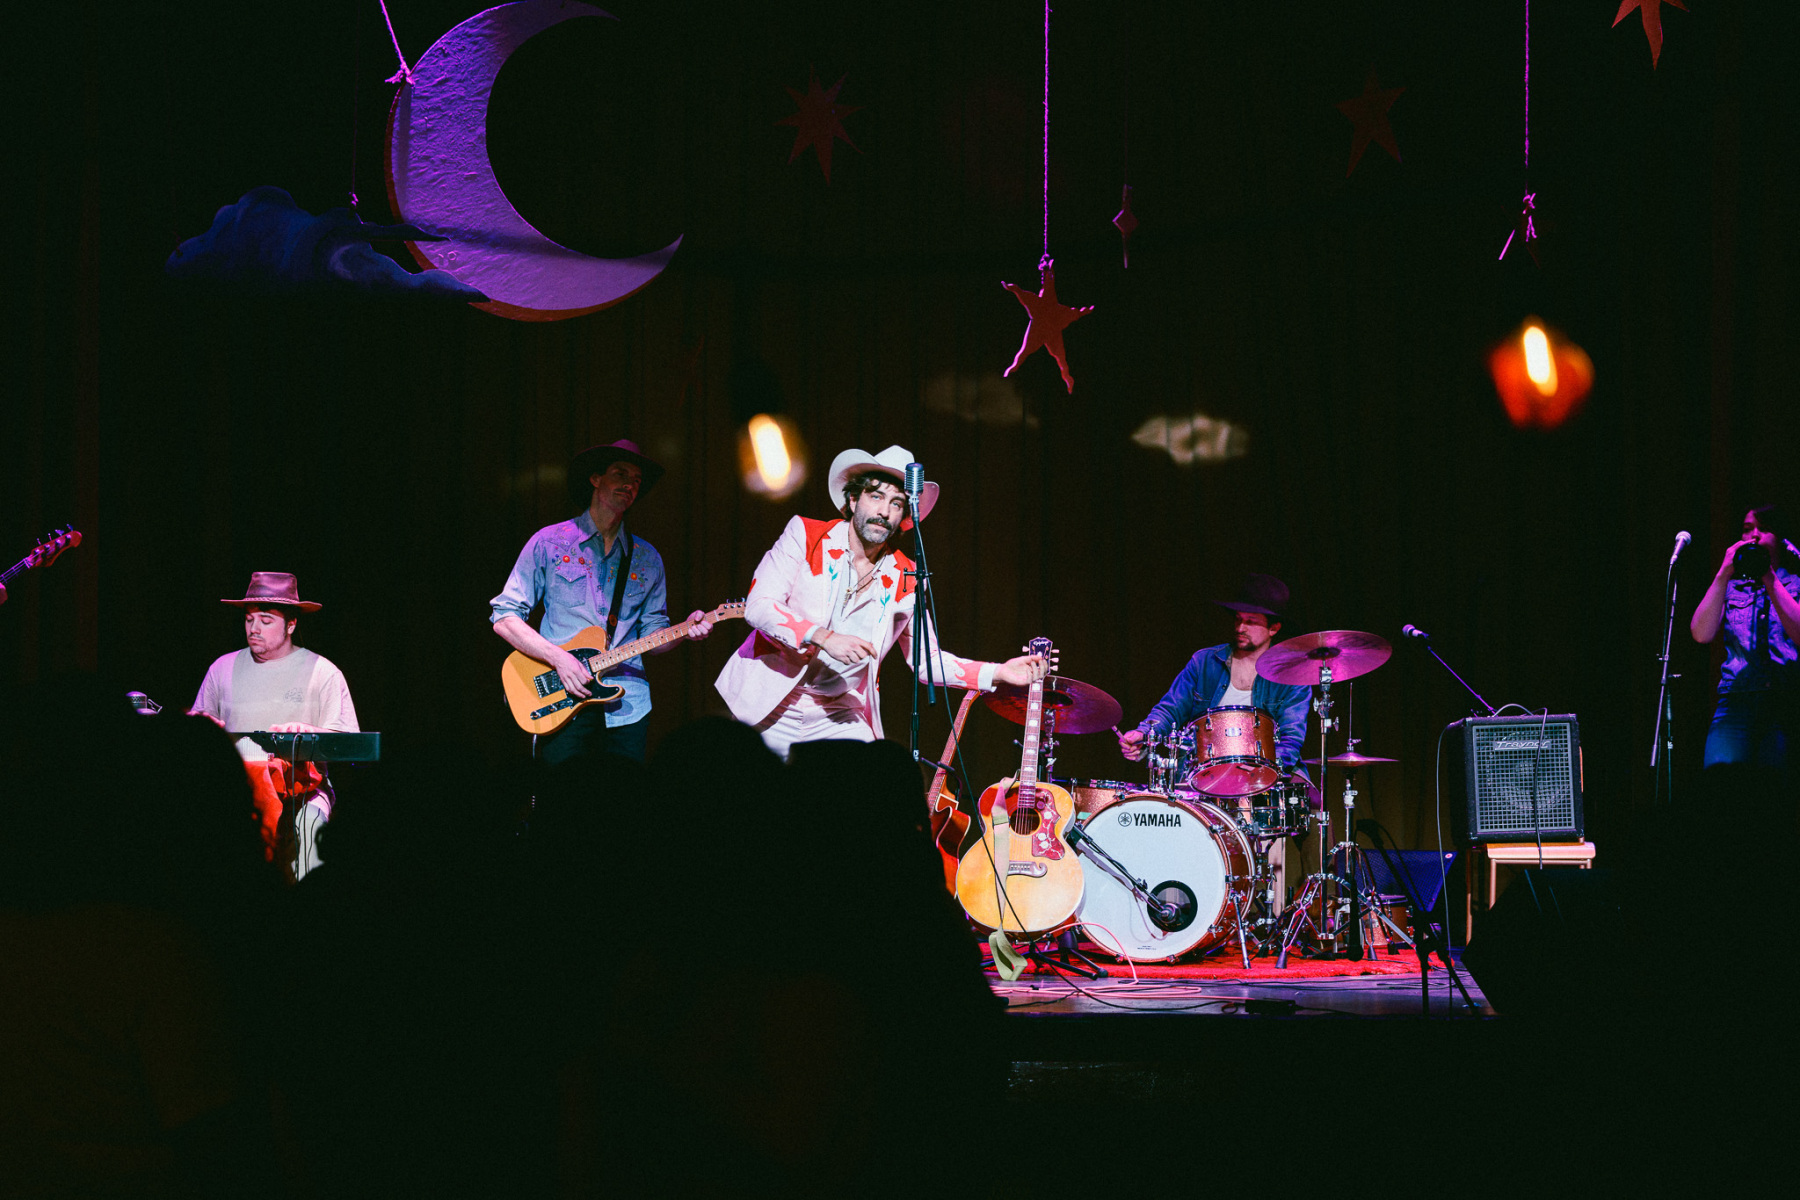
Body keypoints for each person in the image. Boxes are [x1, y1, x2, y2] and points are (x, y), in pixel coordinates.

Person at [715, 444, 1048, 758]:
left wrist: (999, 672)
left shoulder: (906, 575)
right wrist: (824, 637)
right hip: (770, 703)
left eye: (897, 503)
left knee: (871, 787)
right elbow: (760, 605)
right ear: (853, 499)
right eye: (876, 496)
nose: (884, 511)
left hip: (838, 714)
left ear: (904, 516)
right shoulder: (806, 535)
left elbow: (926, 662)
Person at [491, 438, 713, 767]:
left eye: (636, 480)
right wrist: (559, 659)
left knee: (622, 796)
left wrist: (685, 631)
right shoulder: (550, 542)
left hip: (628, 706)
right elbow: (505, 617)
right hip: (562, 695)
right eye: (620, 474)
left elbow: (654, 635)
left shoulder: (647, 558)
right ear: (596, 479)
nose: (630, 484)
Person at [191, 572, 357, 882]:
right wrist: (205, 729)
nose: (253, 629)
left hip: (301, 796)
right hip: (238, 796)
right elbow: (194, 736)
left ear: (291, 624)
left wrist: (308, 732)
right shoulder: (222, 669)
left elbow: (347, 742)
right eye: (249, 619)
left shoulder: (323, 672)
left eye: (265, 621)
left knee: (309, 833)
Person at [1689, 504, 1800, 775]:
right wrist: (1723, 573)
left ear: (1780, 539)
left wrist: (1769, 577)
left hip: (1783, 701)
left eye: (1764, 529)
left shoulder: (1795, 584)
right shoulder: (1732, 588)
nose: (1755, 536)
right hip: (1735, 702)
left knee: (1775, 788)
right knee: (1721, 785)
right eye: (1748, 529)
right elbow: (1701, 634)